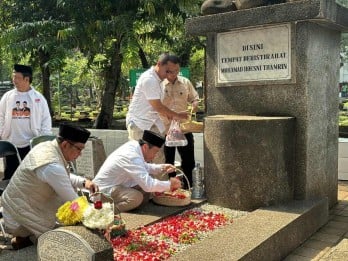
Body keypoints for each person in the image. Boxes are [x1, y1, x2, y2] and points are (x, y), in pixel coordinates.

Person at [1, 123, 99, 250]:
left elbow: (61, 177)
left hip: (18, 206)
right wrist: (98, 217)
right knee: (68, 243)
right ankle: (24, 235)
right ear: (65, 145)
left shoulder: (48, 147)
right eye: (79, 149)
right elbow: (73, 201)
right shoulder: (52, 165)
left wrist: (84, 182)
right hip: (18, 217)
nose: (80, 154)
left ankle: (26, 237)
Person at [92, 130, 182, 212]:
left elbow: (142, 167)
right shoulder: (132, 156)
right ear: (146, 147)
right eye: (155, 152)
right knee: (136, 197)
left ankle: (128, 206)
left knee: (145, 191)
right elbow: (148, 185)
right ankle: (105, 210)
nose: (155, 156)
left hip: (117, 186)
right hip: (102, 191)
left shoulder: (135, 146)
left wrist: (162, 167)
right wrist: (170, 185)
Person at [126, 53, 188, 163]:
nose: (171, 74)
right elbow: (158, 106)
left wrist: (170, 116)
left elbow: (157, 108)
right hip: (140, 125)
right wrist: (177, 115)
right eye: (168, 71)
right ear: (159, 64)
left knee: (158, 160)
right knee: (141, 161)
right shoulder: (149, 79)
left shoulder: (158, 80)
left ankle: (161, 179)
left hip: (152, 124)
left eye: (175, 71)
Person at [0, 64, 52, 180]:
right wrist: (2, 132)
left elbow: (46, 120)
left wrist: (42, 139)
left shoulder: (38, 98)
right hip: (11, 143)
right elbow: (1, 116)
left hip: (31, 144)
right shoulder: (8, 97)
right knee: (11, 176)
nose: (14, 81)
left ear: (26, 79)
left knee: (31, 177)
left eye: (17, 78)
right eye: (13, 77)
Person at [161, 62, 200, 188]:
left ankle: (188, 187)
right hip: (165, 130)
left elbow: (194, 97)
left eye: (177, 70)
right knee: (167, 161)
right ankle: (170, 187)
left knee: (188, 160)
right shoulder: (159, 85)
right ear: (166, 70)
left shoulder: (185, 82)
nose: (175, 74)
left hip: (184, 129)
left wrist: (194, 104)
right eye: (172, 71)